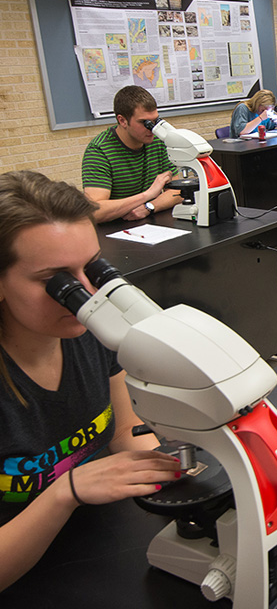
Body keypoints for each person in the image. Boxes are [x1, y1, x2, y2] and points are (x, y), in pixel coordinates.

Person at [0, 170, 181, 591]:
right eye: (54, 280)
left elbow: (123, 431)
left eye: (91, 268)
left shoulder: (86, 331)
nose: (85, 292)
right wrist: (67, 491)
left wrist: (187, 466)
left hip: (94, 541)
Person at [82, 86, 182, 223]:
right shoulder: (99, 150)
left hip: (149, 221)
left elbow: (177, 192)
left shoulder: (157, 141)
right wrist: (147, 195)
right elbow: (95, 211)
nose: (152, 128)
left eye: (154, 121)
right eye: (144, 122)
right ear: (122, 121)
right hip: (115, 228)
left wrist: (149, 207)